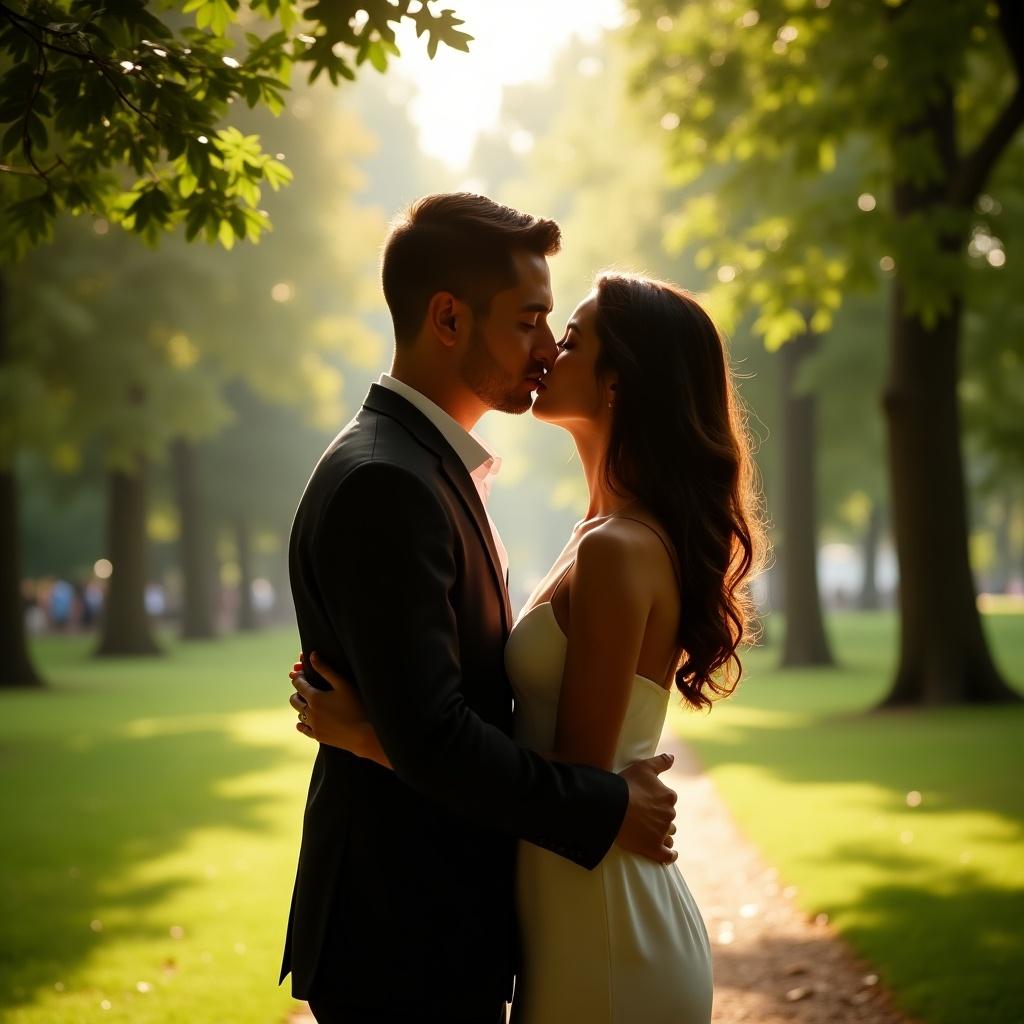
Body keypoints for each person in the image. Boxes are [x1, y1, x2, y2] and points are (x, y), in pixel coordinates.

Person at [291, 265, 765, 1023]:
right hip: (565, 908)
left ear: (618, 384)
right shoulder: (594, 535)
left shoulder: (619, 549)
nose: (547, 351)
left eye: (571, 339)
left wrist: (373, 737)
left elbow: (574, 781)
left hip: (606, 919)